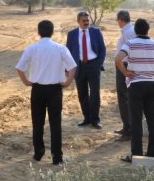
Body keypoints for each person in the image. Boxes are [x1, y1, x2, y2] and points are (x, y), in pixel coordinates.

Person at [15, 20, 77, 165]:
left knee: (37, 123)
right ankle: (57, 156)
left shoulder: (32, 48)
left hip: (37, 89)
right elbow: (73, 66)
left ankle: (38, 153)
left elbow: (20, 67)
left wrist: (26, 81)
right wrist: (67, 82)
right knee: (55, 123)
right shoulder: (60, 48)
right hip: (55, 90)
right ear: (52, 32)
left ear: (38, 32)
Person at [115, 18, 154, 162]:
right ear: (148, 30)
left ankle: (137, 156)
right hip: (151, 85)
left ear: (135, 30)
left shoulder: (130, 43)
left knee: (136, 122)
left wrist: (125, 73)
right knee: (153, 122)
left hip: (135, 86)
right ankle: (152, 155)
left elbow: (118, 59)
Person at [66, 11, 106, 129]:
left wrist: (98, 64)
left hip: (93, 65)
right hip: (79, 67)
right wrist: (67, 68)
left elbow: (102, 49)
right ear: (78, 21)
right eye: (84, 21)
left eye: (87, 20)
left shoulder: (96, 32)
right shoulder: (72, 34)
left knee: (95, 94)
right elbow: (68, 52)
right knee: (82, 94)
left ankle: (95, 120)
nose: (87, 22)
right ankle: (87, 118)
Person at [114, 10, 136, 141]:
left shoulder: (128, 32)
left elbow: (130, 52)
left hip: (125, 66)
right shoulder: (128, 31)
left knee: (124, 97)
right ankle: (126, 126)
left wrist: (124, 70)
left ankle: (128, 130)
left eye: (117, 20)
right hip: (124, 66)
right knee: (123, 97)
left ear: (121, 20)